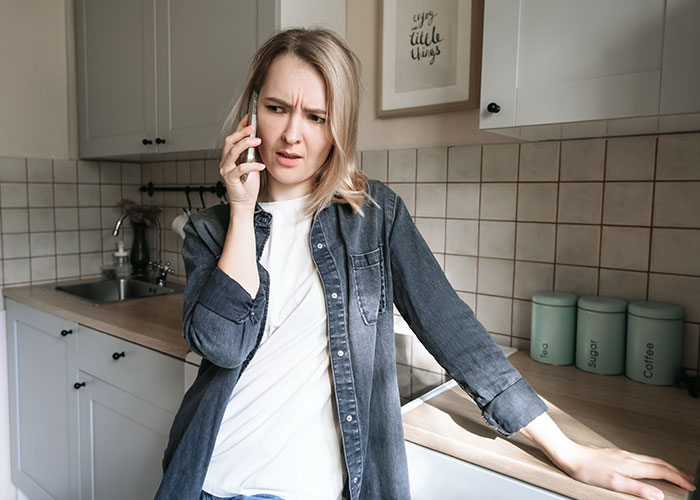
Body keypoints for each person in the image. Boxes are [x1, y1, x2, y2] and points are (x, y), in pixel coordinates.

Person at [154, 28, 695, 500]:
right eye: (277, 109)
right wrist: (244, 208)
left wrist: (568, 450)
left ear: (337, 126)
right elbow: (221, 345)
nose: (293, 135)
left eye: (316, 116)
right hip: (208, 476)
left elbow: (452, 328)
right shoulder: (212, 229)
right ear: (252, 111)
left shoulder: (373, 214)